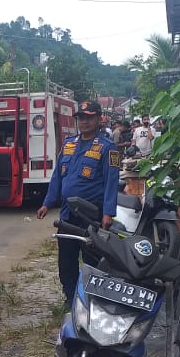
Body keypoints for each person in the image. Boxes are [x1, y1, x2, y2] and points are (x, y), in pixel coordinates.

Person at [36, 99, 121, 306]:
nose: (84, 122)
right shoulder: (68, 144)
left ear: (98, 119)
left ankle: (92, 299)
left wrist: (108, 213)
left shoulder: (109, 148)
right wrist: (47, 203)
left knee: (92, 259)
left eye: (89, 117)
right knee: (66, 258)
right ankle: (70, 297)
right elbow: (57, 176)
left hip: (91, 214)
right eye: (81, 118)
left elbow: (112, 182)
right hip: (68, 213)